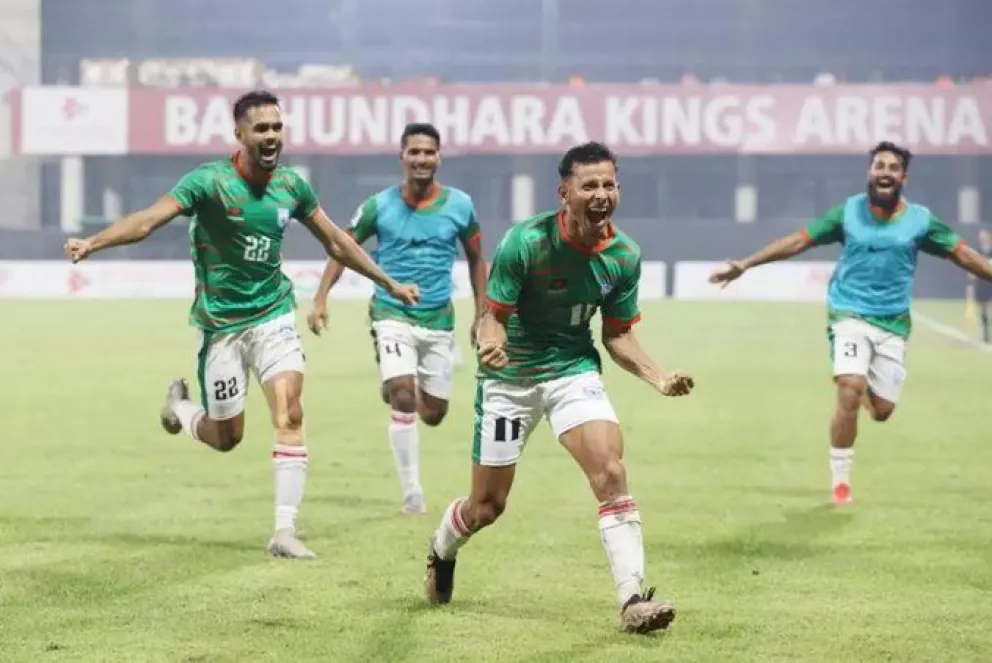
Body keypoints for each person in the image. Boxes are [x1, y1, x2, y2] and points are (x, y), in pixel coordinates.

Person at [63, 90, 420, 559]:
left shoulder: (292, 187)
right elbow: (148, 221)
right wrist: (93, 243)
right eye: (261, 128)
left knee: (290, 413)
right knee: (226, 437)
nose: (272, 136)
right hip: (221, 327)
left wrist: (388, 282)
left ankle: (284, 531)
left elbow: (336, 241)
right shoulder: (208, 183)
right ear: (240, 134)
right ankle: (181, 409)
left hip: (273, 316)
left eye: (277, 127)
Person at [422, 141, 695, 635]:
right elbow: (492, 317)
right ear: (564, 193)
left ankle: (632, 600)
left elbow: (617, 334)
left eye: (609, 184)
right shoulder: (526, 242)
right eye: (589, 185)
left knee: (610, 471)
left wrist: (658, 377)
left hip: (572, 370)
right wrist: (490, 344)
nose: (601, 194)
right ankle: (442, 550)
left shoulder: (624, 255)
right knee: (487, 507)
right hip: (510, 380)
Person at [708, 141, 992, 505]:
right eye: (879, 166)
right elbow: (798, 241)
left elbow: (962, 254)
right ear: (869, 172)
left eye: (893, 167)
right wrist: (746, 264)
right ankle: (841, 480)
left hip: (892, 323)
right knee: (849, 386)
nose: (885, 172)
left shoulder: (920, 221)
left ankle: (866, 389)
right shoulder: (847, 213)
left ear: (903, 178)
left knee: (883, 411)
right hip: (849, 313)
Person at [307, 122, 488, 515]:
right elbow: (342, 246)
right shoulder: (378, 206)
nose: (422, 159)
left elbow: (477, 259)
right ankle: (412, 493)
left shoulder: (460, 206)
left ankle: (396, 382)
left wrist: (481, 314)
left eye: (429, 152)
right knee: (404, 396)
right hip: (391, 313)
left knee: (434, 414)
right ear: (402, 156)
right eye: (414, 152)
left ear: (439, 157)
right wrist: (321, 297)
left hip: (438, 320)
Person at [965, 228, 992, 344]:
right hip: (982, 283)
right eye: (981, 237)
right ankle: (986, 334)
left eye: (984, 237)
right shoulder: (977, 252)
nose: (982, 239)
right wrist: (970, 284)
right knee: (983, 309)